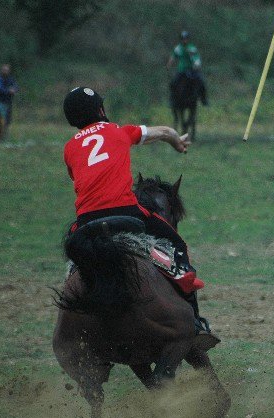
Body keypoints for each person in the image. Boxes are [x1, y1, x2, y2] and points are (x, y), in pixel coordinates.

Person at [62, 86, 216, 339]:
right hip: (125, 214)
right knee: (176, 244)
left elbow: (80, 180)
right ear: (101, 110)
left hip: (86, 222)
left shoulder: (69, 149)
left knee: (75, 261)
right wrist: (177, 142)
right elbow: (165, 131)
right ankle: (195, 321)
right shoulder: (117, 131)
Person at [166, 30, 208, 105]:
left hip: (192, 70)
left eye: (186, 38)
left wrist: (197, 64)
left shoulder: (192, 48)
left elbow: (196, 58)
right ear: (181, 39)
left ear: (188, 39)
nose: (184, 40)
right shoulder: (178, 48)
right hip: (181, 69)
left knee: (201, 81)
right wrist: (169, 64)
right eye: (183, 38)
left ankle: (203, 99)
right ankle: (172, 99)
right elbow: (173, 57)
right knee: (173, 83)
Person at [0, 64, 18, 132]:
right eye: (4, 70)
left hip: (8, 101)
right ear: (1, 70)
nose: (5, 71)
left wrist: (14, 90)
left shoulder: (11, 79)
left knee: (7, 118)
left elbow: (16, 86)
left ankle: (4, 133)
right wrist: (9, 91)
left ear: (9, 71)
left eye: (6, 70)